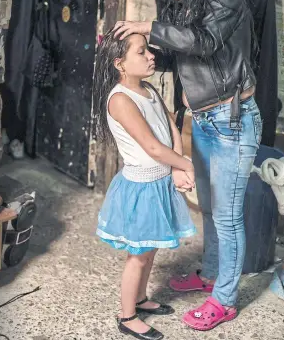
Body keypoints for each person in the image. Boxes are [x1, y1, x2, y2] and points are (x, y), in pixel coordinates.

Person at [112, 0, 262, 331]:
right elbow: (180, 56)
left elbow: (204, 42)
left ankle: (225, 301)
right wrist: (140, 55)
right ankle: (212, 274)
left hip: (233, 119)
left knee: (228, 218)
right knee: (211, 209)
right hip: (205, 119)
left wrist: (147, 27)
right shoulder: (182, 1)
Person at [92, 29, 198, 340]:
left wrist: (177, 166)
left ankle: (140, 299)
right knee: (138, 255)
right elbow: (152, 147)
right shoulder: (120, 100)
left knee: (150, 250)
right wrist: (187, 165)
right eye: (141, 52)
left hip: (159, 181)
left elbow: (170, 129)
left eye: (148, 50)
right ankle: (127, 316)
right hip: (140, 188)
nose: (151, 56)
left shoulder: (148, 89)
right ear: (119, 63)